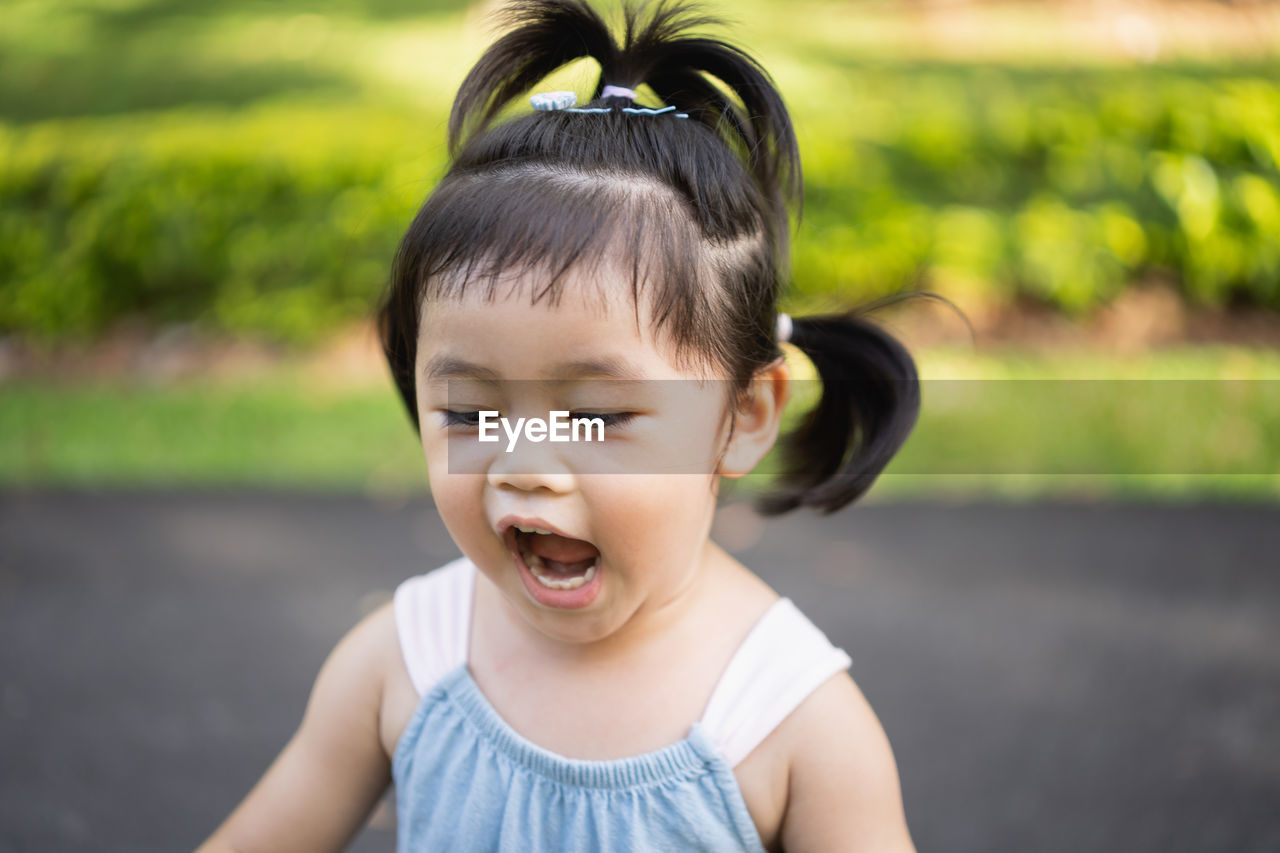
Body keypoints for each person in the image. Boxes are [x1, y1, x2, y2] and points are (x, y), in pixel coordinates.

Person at [198, 0, 932, 849]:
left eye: (597, 415)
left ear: (744, 414)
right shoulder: (406, 659)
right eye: (471, 410)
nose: (525, 463)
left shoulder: (792, 725)